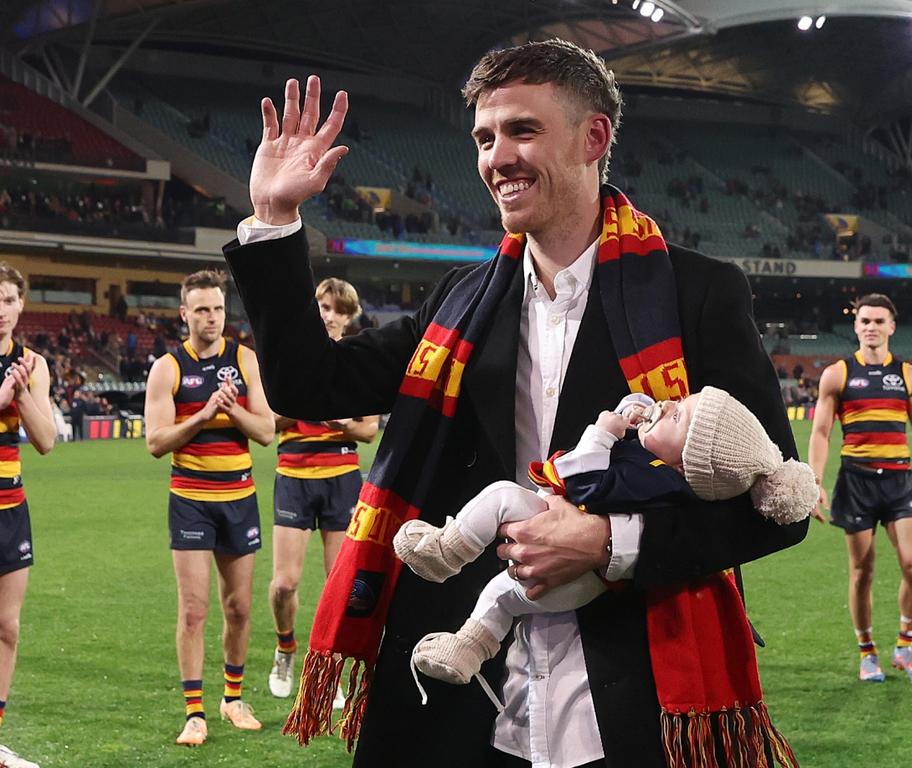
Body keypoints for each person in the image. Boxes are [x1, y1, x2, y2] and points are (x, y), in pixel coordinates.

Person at [224, 40, 807, 768]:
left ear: (593, 137)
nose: (497, 156)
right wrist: (275, 220)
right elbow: (314, 387)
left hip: (637, 687)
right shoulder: (460, 302)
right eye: (484, 137)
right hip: (466, 686)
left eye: (522, 130)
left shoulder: (699, 295)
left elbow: (774, 503)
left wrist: (610, 545)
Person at [397, 388, 814, 703]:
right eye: (680, 401)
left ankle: (445, 552)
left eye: (677, 417)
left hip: (582, 577)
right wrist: (637, 410)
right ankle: (468, 647)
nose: (667, 406)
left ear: (686, 464)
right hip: (586, 579)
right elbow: (644, 428)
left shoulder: (656, 479)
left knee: (502, 497)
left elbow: (585, 482)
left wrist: (603, 431)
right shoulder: (663, 473)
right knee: (504, 596)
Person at [144, 270, 274, 747]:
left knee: (238, 608)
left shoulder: (245, 360)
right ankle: (195, 711)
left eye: (217, 308)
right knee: (195, 610)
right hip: (191, 502)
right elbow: (155, 442)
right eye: (201, 309)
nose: (211, 317)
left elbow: (265, 431)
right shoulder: (168, 368)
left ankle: (233, 698)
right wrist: (200, 416)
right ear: (185, 314)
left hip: (239, 500)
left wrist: (231, 409)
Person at [808, 293, 912, 685]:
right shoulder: (837, 373)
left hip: (901, 481)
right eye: (864, 320)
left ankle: (904, 647)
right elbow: (821, 431)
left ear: (892, 327)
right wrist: (814, 481)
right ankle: (868, 652)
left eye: (878, 321)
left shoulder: (909, 375)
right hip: (857, 481)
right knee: (862, 572)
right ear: (855, 326)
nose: (871, 327)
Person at [267, 278, 380, 702]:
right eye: (321, 306)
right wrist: (303, 401)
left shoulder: (357, 361)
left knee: (340, 584)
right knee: (284, 584)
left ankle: (330, 666)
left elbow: (368, 429)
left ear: (348, 316)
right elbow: (268, 421)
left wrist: (340, 423)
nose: (327, 314)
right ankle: (285, 647)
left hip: (342, 477)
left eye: (335, 309)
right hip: (294, 475)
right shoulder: (287, 358)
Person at [0, 263, 57, 768]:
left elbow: (45, 441)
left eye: (9, 300)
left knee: (7, 627)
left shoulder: (33, 364)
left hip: (11, 508)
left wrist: (18, 394)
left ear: (21, 305)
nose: (0, 310)